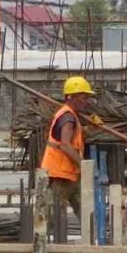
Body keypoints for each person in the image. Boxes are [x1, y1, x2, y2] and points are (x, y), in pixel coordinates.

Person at [40, 76, 100, 214]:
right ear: (71, 97)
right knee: (54, 218)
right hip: (60, 176)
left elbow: (75, 139)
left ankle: (94, 235)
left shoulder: (71, 116)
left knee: (87, 214)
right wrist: (84, 165)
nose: (86, 101)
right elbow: (65, 145)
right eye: (83, 97)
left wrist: (91, 127)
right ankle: (44, 236)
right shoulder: (67, 118)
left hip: (70, 175)